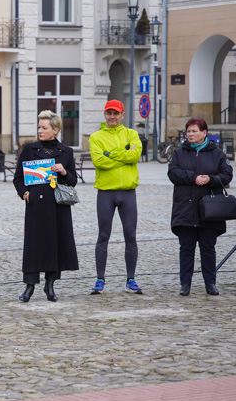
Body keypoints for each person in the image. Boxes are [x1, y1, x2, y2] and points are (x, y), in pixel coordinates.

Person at [13, 111, 78, 302]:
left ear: (55, 130)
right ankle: (29, 286)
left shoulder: (66, 151)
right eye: (39, 127)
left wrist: (64, 172)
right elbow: (18, 178)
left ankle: (50, 285)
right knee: (33, 246)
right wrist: (25, 193)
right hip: (36, 206)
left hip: (57, 206)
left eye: (44, 127)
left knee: (54, 245)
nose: (40, 130)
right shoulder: (29, 149)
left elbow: (73, 180)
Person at [167, 119, 234, 296]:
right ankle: (185, 284)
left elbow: (227, 174)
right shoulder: (179, 153)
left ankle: (210, 283)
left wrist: (210, 179)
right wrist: (193, 177)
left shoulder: (217, 153)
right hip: (185, 208)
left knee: (208, 248)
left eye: (194, 131)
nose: (190, 134)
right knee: (186, 248)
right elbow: (173, 173)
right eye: (188, 131)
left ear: (204, 133)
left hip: (210, 209)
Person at [89, 99, 143, 295]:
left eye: (116, 113)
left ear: (122, 115)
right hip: (106, 192)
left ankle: (131, 279)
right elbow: (98, 161)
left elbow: (135, 156)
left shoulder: (132, 134)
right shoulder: (96, 136)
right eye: (109, 113)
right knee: (103, 236)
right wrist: (123, 155)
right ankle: (100, 279)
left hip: (128, 192)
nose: (112, 117)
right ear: (105, 115)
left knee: (130, 235)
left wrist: (110, 154)